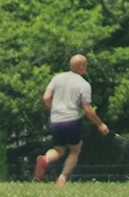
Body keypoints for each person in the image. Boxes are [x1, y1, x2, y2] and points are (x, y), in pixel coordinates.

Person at [37, 52, 109, 186]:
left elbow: (46, 97)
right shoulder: (84, 84)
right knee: (75, 150)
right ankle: (62, 179)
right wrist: (100, 124)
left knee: (58, 150)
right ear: (82, 67)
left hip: (55, 119)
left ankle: (45, 159)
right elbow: (87, 109)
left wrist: (53, 110)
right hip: (72, 120)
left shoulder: (57, 77)